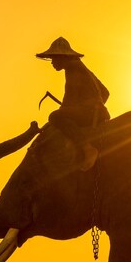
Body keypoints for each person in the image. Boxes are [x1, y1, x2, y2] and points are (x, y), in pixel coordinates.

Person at [35, 37, 110, 170]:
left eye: (54, 58)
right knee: (59, 116)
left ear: (63, 57)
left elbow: (69, 98)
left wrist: (83, 109)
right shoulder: (83, 69)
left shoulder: (72, 68)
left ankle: (86, 148)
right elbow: (105, 92)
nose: (52, 62)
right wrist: (92, 106)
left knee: (54, 117)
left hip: (92, 113)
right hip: (99, 113)